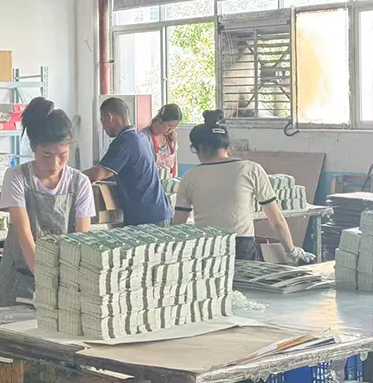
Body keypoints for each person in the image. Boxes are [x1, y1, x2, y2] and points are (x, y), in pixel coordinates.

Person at [173, 110, 315, 265]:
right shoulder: (250, 169)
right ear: (227, 146)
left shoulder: (189, 176)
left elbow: (179, 226)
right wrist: (292, 251)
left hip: (205, 248)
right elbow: (277, 221)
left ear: (199, 148)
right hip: (241, 247)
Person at [0, 98, 94, 308]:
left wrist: (67, 285)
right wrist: (46, 282)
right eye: (46, 155)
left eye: (62, 155)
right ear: (33, 147)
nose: (54, 164)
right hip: (18, 280)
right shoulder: (17, 177)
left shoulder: (80, 183)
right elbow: (24, 235)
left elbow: (81, 240)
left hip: (64, 281)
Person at [84, 98, 173, 226]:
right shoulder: (140, 137)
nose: (103, 128)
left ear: (109, 117)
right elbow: (112, 173)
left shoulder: (125, 141)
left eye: (103, 122)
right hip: (159, 212)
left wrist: (72, 177)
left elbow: (99, 173)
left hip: (147, 218)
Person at [141, 104, 182, 177]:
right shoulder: (144, 137)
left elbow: (174, 165)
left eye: (175, 126)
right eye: (169, 125)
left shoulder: (171, 137)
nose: (171, 129)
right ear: (159, 120)